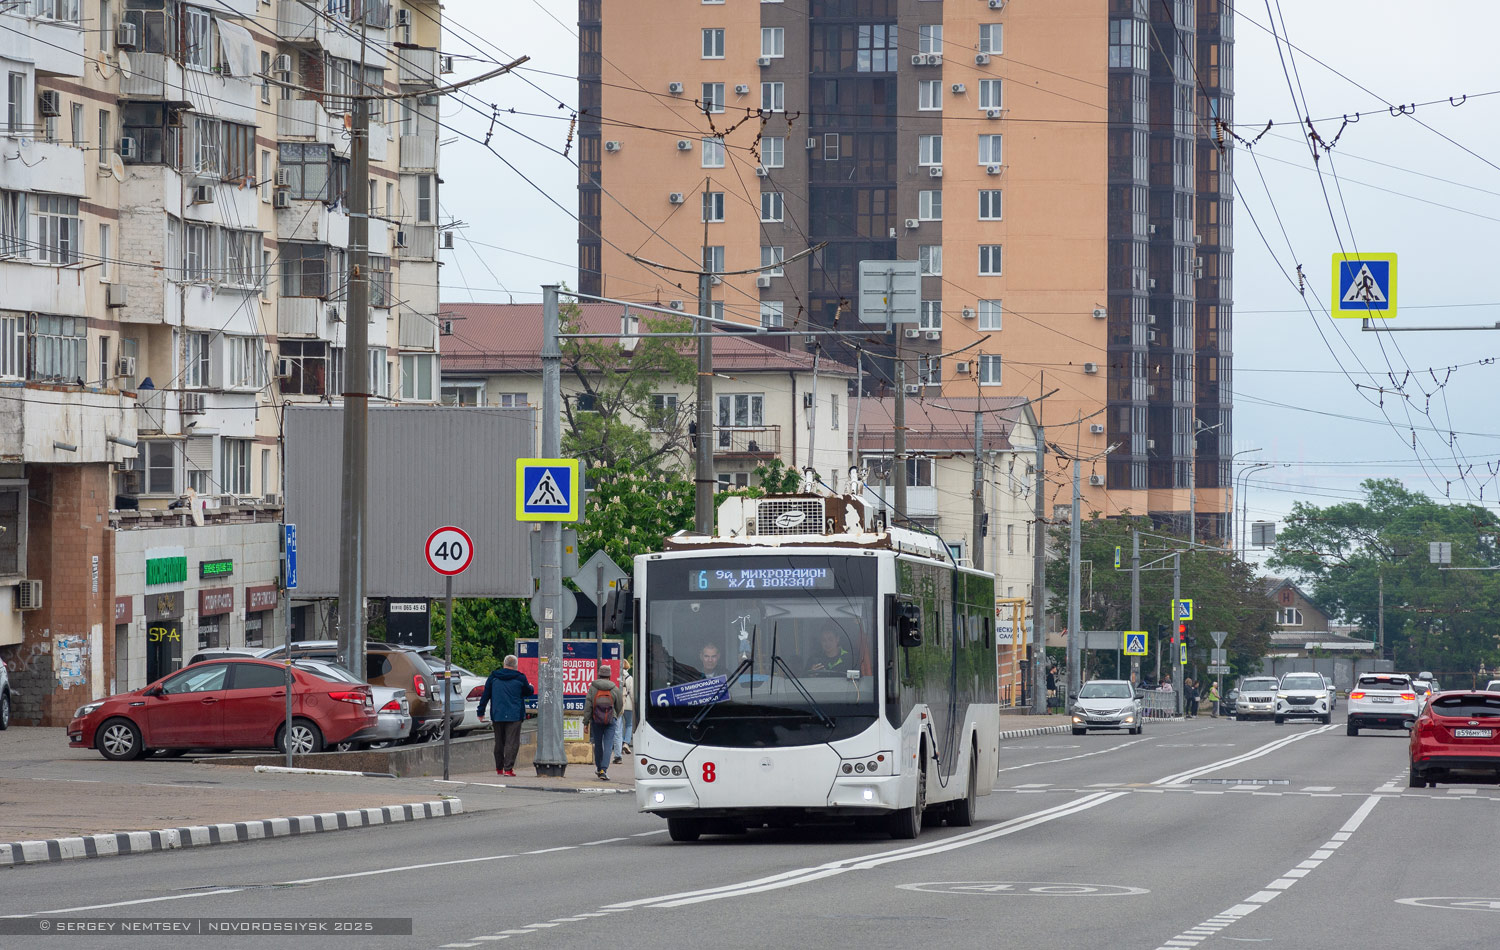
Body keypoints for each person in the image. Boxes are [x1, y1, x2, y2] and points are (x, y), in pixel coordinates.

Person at [476, 655, 535, 777]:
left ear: (504, 664)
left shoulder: (493, 676)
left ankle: (499, 768)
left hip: (498, 714)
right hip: (514, 714)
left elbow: (485, 694)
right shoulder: (520, 678)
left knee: (499, 741)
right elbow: (528, 692)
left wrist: (480, 712)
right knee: (511, 742)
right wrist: (531, 687)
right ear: (516, 665)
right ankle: (508, 769)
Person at [583, 665, 623, 781]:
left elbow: (588, 705)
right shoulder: (614, 688)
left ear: (599, 674)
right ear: (609, 675)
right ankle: (603, 770)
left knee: (598, 744)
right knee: (608, 744)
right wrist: (615, 714)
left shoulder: (593, 687)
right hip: (611, 719)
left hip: (596, 719)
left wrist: (586, 722)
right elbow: (619, 704)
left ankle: (598, 767)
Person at [612, 658, 635, 762]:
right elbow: (633, 693)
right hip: (628, 704)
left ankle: (619, 745)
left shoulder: (615, 676)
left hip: (618, 704)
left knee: (619, 726)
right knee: (629, 724)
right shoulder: (629, 678)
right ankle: (626, 742)